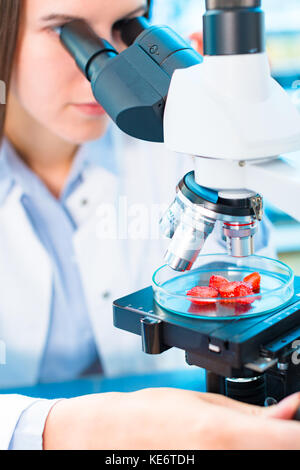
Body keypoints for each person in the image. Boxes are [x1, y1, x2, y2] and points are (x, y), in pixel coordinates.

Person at [0, 0, 298, 451]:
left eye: (126, 27)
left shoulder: (182, 131)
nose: (111, 70)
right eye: (67, 31)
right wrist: (72, 429)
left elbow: (249, 302)